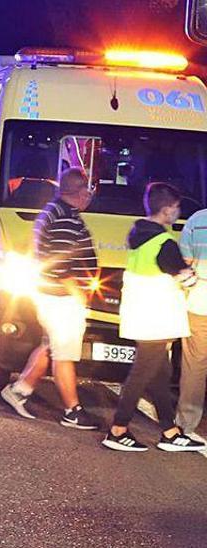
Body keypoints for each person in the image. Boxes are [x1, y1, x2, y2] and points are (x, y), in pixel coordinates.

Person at [0, 168, 102, 430]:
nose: (90, 194)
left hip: (50, 294)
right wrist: (78, 292)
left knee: (50, 346)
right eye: (87, 188)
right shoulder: (65, 218)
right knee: (64, 354)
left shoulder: (54, 211)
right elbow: (58, 263)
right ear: (77, 192)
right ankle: (72, 411)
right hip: (61, 297)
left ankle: (20, 390)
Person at [104, 183, 205, 452]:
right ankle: (118, 428)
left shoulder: (138, 234)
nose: (178, 212)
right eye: (176, 208)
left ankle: (170, 432)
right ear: (168, 209)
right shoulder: (164, 243)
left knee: (160, 374)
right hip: (156, 318)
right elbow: (187, 277)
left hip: (141, 313)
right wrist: (192, 278)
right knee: (141, 374)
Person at [177, 205, 207, 443]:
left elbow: (183, 266)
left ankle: (186, 424)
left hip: (199, 304)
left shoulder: (197, 220)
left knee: (195, 366)